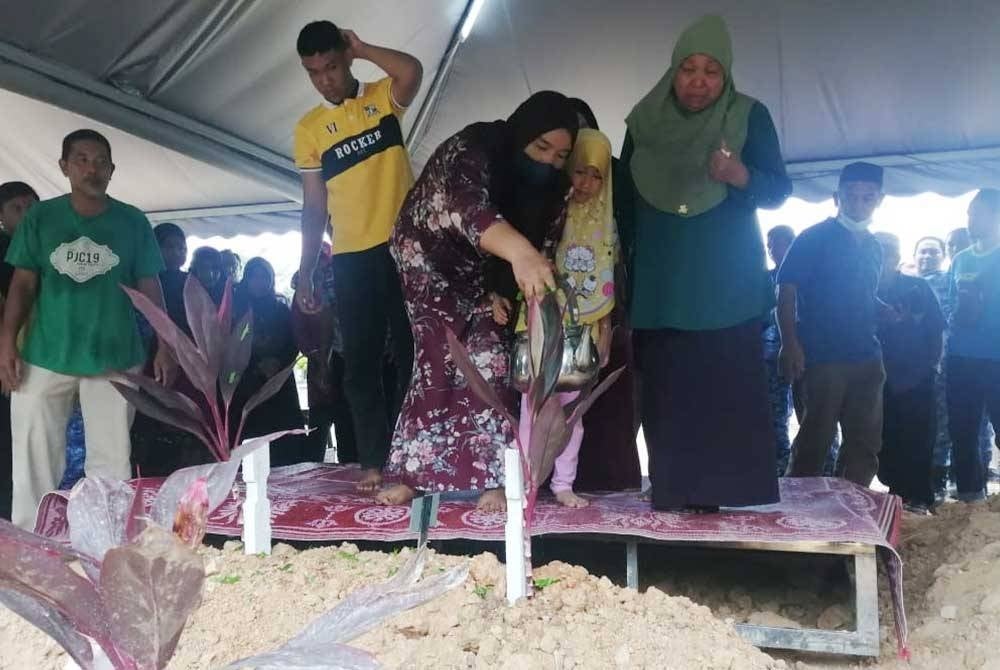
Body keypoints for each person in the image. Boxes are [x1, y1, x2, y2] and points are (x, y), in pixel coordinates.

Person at [619, 15, 790, 511]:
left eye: (711, 71)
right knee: (669, 390)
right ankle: (674, 490)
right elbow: (623, 204)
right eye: (688, 69)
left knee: (726, 388)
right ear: (673, 71)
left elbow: (778, 190)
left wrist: (738, 175)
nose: (698, 81)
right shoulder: (644, 121)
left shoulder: (749, 115)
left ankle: (728, 492)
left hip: (726, 287)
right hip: (662, 285)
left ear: (726, 74)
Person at [377, 91, 578, 511]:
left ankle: (495, 478)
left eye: (561, 156)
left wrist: (501, 287)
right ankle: (414, 476)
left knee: (492, 356)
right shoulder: (476, 146)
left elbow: (541, 242)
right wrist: (521, 254)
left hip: (495, 266)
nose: (548, 162)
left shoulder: (554, 190)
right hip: (431, 258)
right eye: (541, 147)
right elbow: (467, 207)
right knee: (436, 356)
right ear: (522, 132)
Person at [0, 129, 174, 528]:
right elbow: (23, 284)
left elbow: (150, 285)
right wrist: (6, 341)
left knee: (112, 462)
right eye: (82, 159)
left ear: (112, 170)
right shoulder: (40, 218)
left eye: (100, 162)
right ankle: (32, 544)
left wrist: (167, 342)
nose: (91, 169)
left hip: (114, 355)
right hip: (45, 354)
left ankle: (106, 544)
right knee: (32, 458)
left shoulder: (132, 221)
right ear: (64, 166)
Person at [293, 20, 422, 492]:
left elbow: (412, 71)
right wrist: (307, 269)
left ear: (345, 58)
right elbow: (314, 205)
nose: (324, 79)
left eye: (331, 66)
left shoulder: (381, 97)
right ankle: (372, 460)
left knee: (412, 355)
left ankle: (411, 456)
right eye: (313, 72)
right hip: (350, 256)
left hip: (404, 249)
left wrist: (363, 47)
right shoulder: (308, 129)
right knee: (361, 362)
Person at [508, 128, 618, 507]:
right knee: (532, 408)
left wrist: (605, 333)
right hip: (540, 322)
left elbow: (608, 284)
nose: (586, 182)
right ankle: (527, 481)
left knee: (572, 413)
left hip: (582, 331)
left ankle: (563, 484)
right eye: (579, 171)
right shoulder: (547, 210)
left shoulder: (607, 225)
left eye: (596, 175)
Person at [778, 162, 886, 486]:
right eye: (851, 195)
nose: (858, 203)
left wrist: (887, 311)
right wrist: (789, 343)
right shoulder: (813, 238)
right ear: (836, 197)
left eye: (868, 197)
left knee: (864, 443)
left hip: (867, 357)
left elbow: (865, 294)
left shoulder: (874, 246)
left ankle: (851, 504)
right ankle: (798, 507)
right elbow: (786, 291)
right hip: (822, 356)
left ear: (879, 200)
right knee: (815, 439)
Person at [560, 100, 641, 494]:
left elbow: (631, 239)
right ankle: (555, 481)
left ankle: (608, 481)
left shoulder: (618, 176)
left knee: (606, 395)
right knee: (555, 399)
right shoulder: (552, 184)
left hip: (608, 305)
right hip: (554, 312)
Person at [874, 232, 945, 514]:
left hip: (916, 376)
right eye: (880, 250)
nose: (885, 256)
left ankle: (920, 498)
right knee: (884, 439)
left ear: (898, 255)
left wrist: (932, 366)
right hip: (876, 378)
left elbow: (936, 328)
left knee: (919, 438)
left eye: (891, 250)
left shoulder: (918, 287)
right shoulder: (863, 287)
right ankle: (895, 493)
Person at [946, 189, 1000, 503]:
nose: (970, 220)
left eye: (977, 213)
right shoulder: (960, 259)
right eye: (969, 213)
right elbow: (950, 304)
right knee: (962, 430)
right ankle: (970, 498)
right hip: (961, 358)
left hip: (997, 357)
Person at [233, 258, 309, 466]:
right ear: (246, 279)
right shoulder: (236, 311)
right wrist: (256, 365)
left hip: (279, 383)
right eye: (254, 277)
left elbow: (294, 342)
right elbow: (230, 346)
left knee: (285, 444)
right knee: (251, 445)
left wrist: (278, 364)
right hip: (248, 386)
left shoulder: (281, 310)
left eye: (264, 277)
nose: (260, 282)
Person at [0, 181, 39, 520]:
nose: (26, 214)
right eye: (17, 208)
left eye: (31, 206)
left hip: (41, 359)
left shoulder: (49, 246)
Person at [764, 225, 796, 476]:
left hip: (805, 354)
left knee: (813, 415)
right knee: (774, 415)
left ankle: (825, 468)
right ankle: (778, 465)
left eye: (777, 243)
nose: (772, 250)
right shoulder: (763, 280)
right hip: (769, 358)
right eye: (769, 245)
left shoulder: (807, 277)